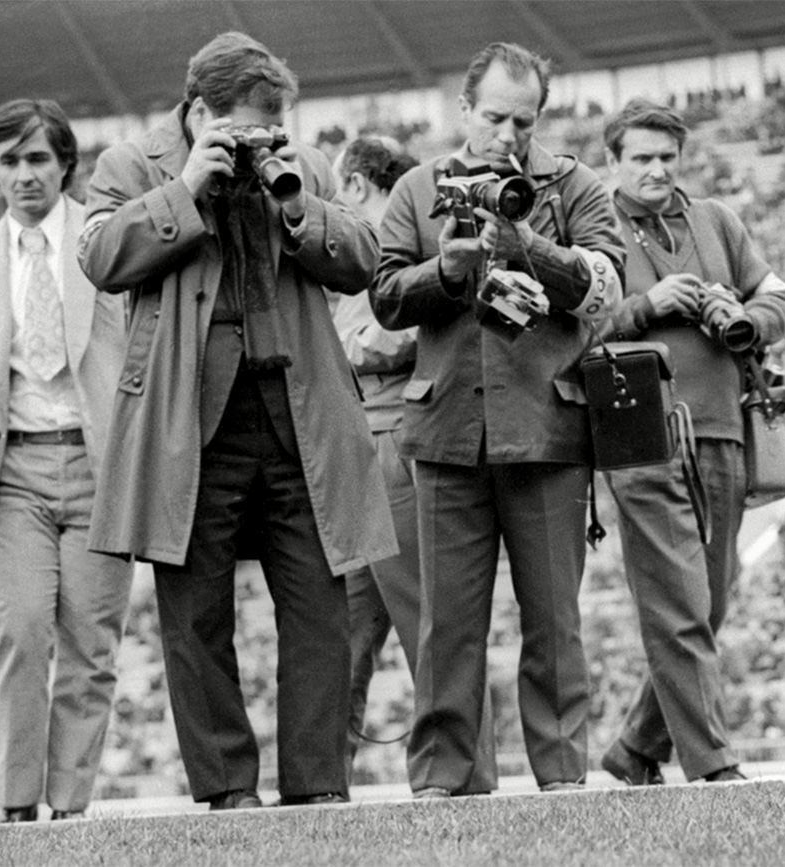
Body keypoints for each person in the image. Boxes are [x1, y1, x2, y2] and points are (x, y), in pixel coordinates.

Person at [78, 32, 396, 810]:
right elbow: (99, 259)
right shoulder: (132, 164)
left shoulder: (304, 163)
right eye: (247, 130)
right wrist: (185, 188)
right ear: (198, 114)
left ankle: (320, 782)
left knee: (321, 606)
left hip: (299, 415)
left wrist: (294, 200)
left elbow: (362, 261)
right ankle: (227, 787)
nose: (263, 143)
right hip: (189, 421)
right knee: (195, 615)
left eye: (272, 128)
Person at [371, 42, 624, 797]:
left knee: (555, 620)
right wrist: (447, 270)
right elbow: (385, 296)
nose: (508, 135)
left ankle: (561, 774)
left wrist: (530, 246)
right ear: (463, 110)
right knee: (446, 623)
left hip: (548, 429)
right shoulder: (419, 189)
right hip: (447, 431)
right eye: (493, 118)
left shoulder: (575, 185)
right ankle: (442, 778)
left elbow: (606, 290)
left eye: (523, 119)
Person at [594, 99, 785, 786]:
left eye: (666, 157)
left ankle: (633, 748)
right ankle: (713, 762)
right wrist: (646, 307)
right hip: (638, 433)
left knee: (712, 600)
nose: (656, 170)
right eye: (641, 158)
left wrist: (744, 314)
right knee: (680, 602)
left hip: (724, 427)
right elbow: (571, 328)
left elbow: (781, 298)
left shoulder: (716, 219)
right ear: (612, 161)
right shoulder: (594, 225)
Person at [0, 99, 132, 822]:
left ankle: (70, 807)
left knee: (91, 645)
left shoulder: (107, 241)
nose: (24, 175)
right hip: (15, 470)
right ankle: (16, 804)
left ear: (65, 165)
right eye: (9, 162)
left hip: (100, 466)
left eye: (37, 159)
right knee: (20, 630)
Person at [329, 137, 497, 792]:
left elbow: (389, 335)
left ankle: (466, 777)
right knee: (343, 632)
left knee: (433, 622)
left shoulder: (405, 247)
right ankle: (322, 781)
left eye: (342, 189)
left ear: (362, 187)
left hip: (400, 438)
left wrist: (341, 346)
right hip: (358, 448)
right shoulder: (357, 254)